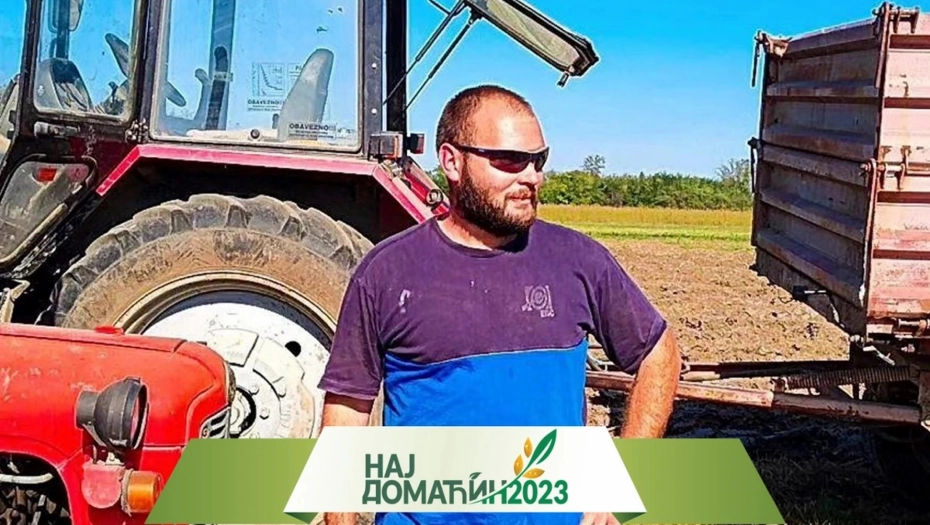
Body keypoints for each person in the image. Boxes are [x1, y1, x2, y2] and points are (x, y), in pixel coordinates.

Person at [318, 84, 682, 525]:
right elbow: (347, 411)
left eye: (538, 161)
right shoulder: (387, 272)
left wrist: (621, 485)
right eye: (510, 160)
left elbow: (658, 353)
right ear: (452, 161)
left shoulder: (578, 261)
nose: (532, 177)